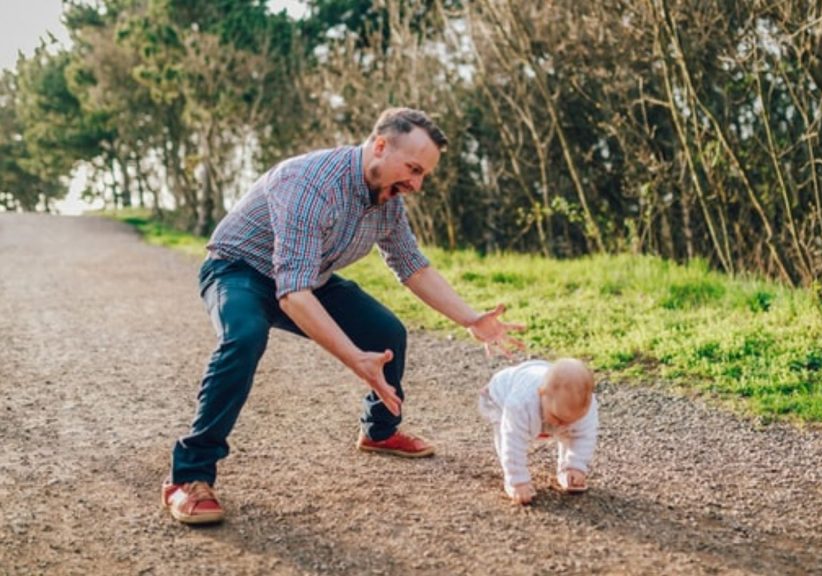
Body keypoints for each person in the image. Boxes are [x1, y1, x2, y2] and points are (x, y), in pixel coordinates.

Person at [161, 107, 526, 525]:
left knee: (386, 332)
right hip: (238, 269)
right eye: (412, 169)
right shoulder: (308, 184)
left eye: (423, 174)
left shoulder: (387, 199)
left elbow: (412, 266)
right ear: (381, 145)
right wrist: (355, 359)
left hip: (307, 276)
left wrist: (471, 319)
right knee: (244, 337)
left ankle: (379, 431)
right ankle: (187, 476)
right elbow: (292, 295)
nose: (416, 183)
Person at [478, 358, 598, 505]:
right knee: (506, 432)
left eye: (571, 420)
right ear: (542, 394)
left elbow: (583, 437)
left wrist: (576, 466)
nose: (562, 425)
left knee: (571, 432)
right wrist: (518, 481)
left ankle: (567, 470)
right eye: (557, 418)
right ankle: (512, 481)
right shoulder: (521, 403)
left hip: (535, 381)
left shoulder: (584, 408)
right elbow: (513, 440)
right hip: (498, 397)